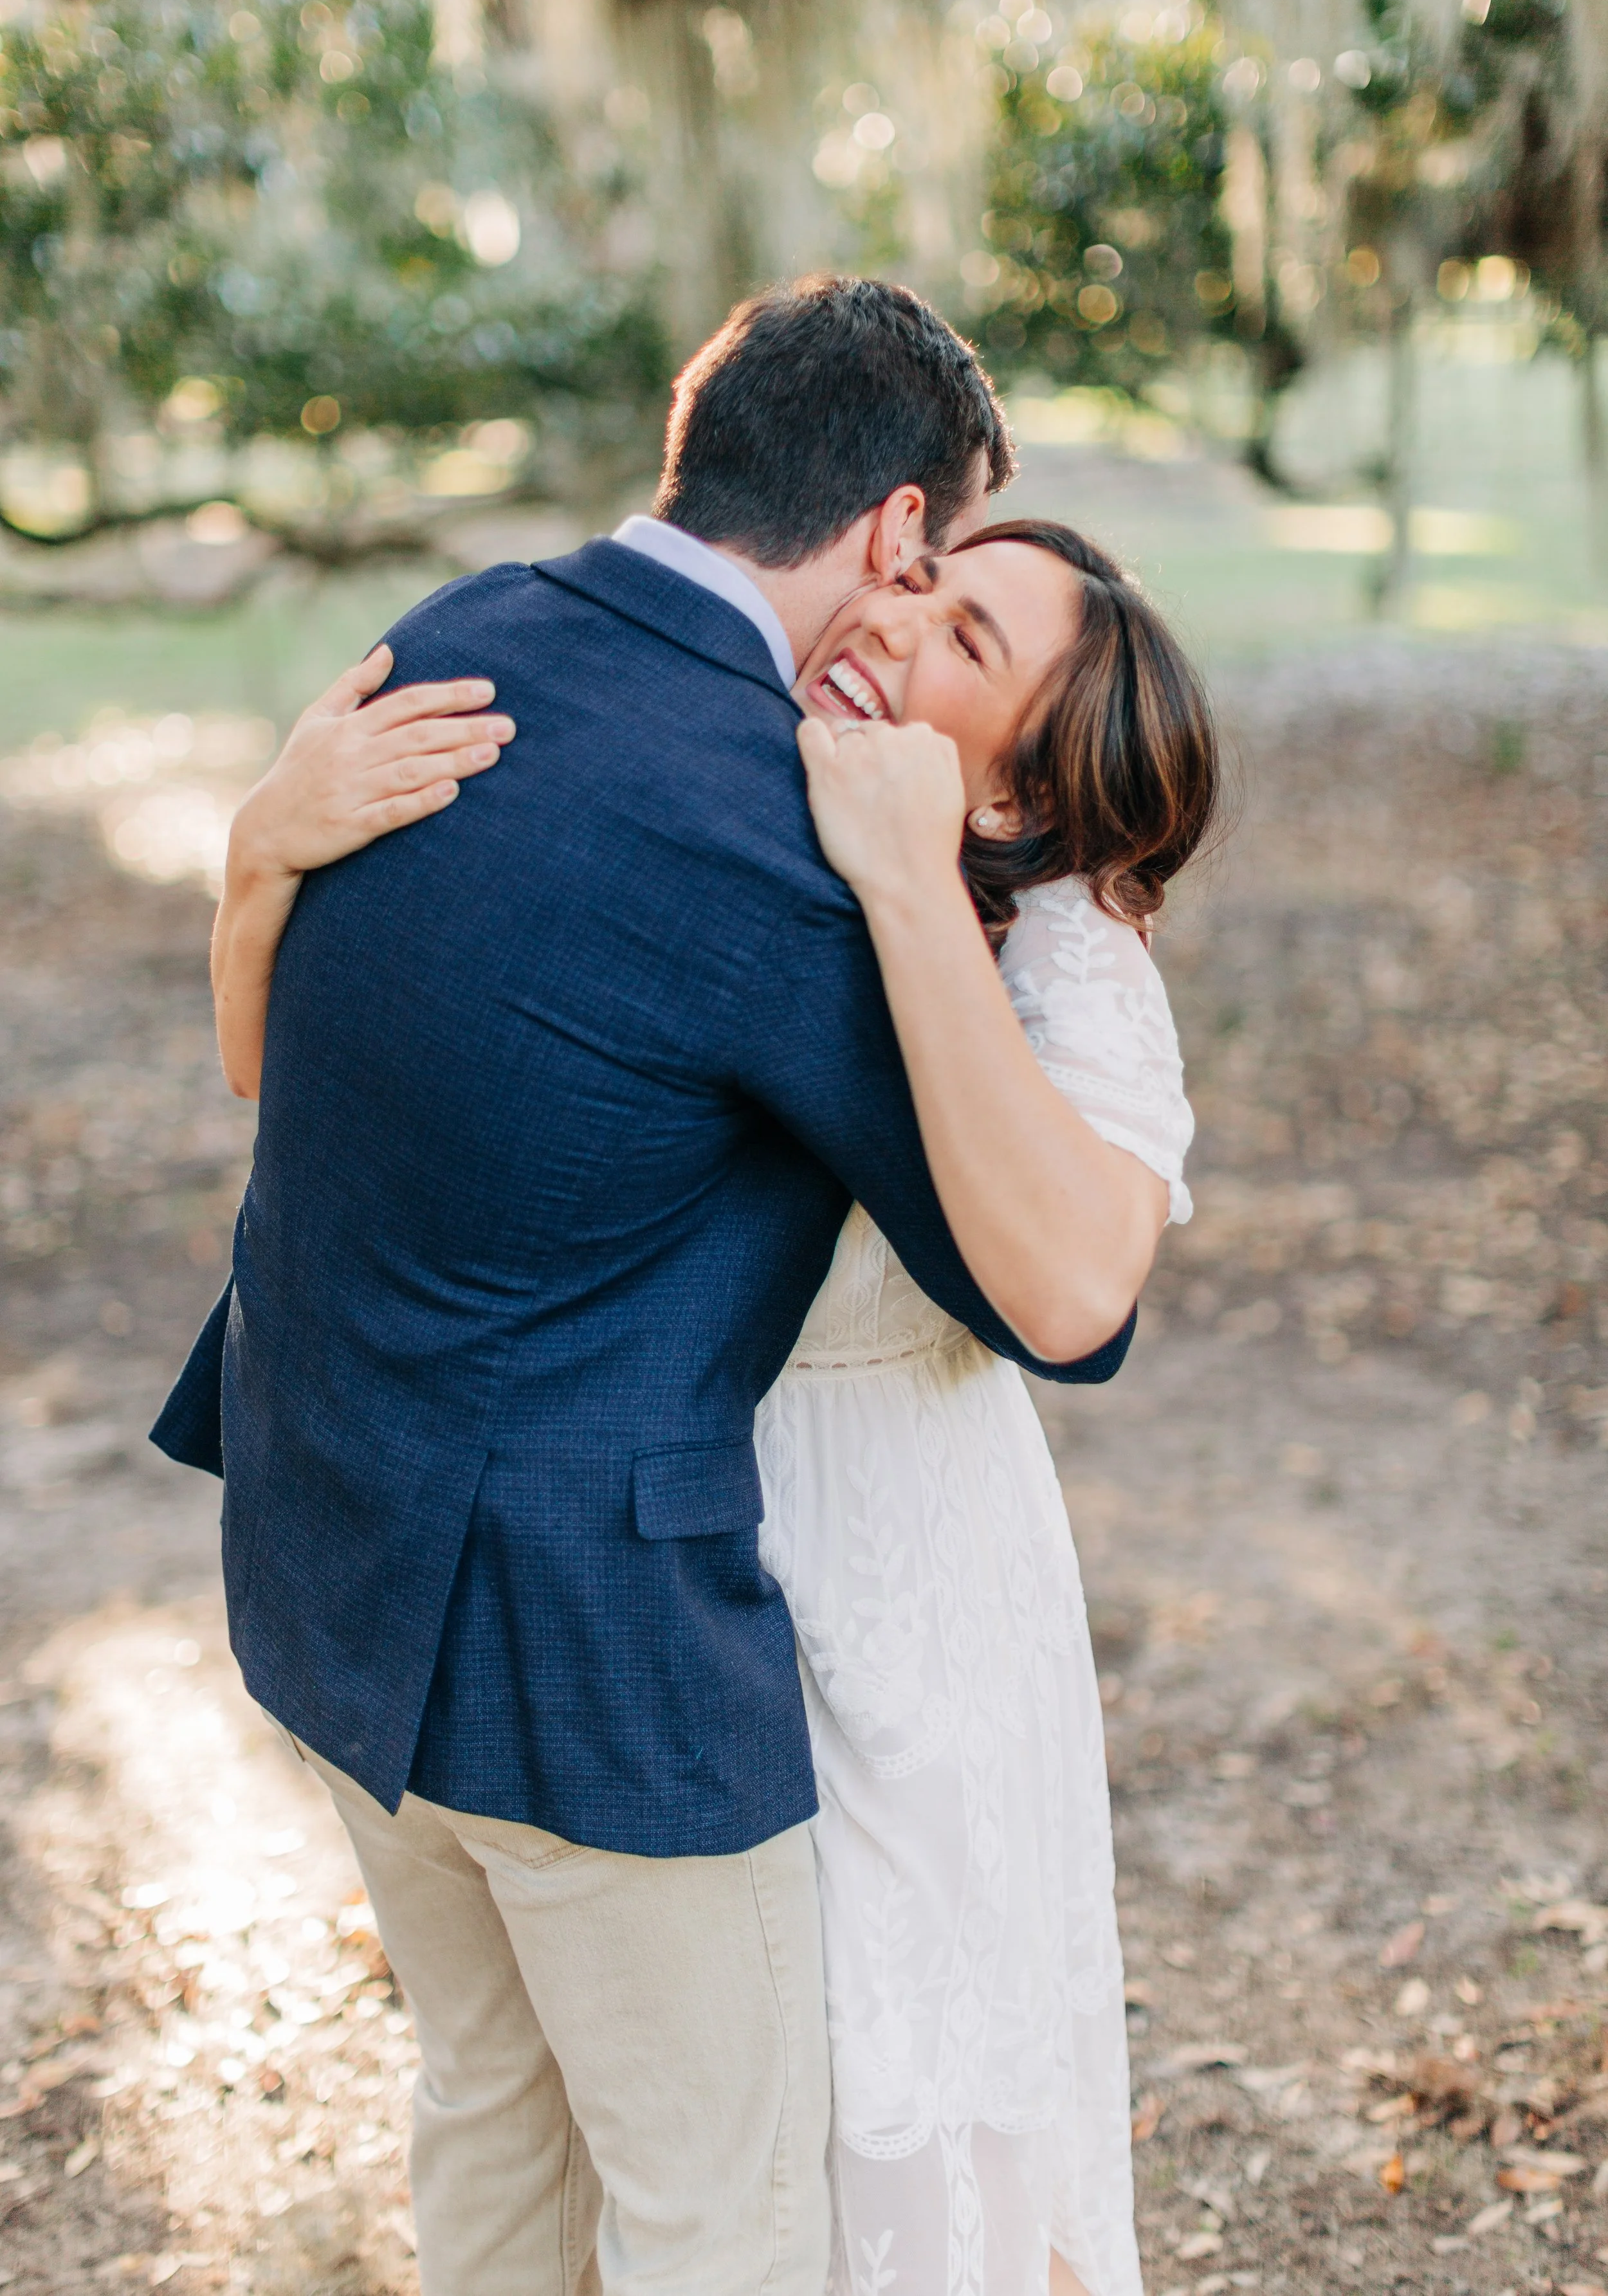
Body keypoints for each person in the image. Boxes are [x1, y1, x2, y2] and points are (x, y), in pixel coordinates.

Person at [190, 460, 1217, 2295]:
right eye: (917, 579)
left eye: (961, 625)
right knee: (604, 2140)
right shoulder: (716, 802)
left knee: (873, 2162)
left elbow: (1070, 1294)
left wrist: (909, 873)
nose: (892, 616)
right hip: (655, 1590)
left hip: (892, 1614)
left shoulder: (1043, 944)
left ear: (1017, 790)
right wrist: (264, 851)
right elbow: (327, 1085)